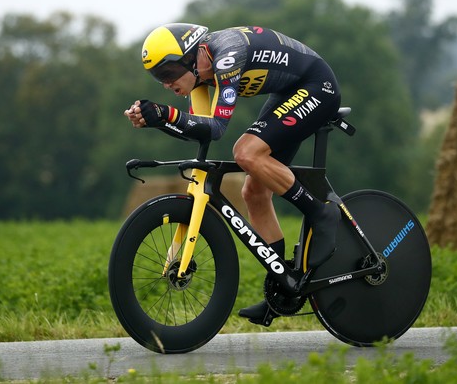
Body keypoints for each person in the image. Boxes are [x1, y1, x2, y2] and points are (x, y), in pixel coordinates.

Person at [124, 23, 341, 326]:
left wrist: (164, 114)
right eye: (159, 77)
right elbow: (200, 131)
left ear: (194, 55)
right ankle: (284, 287)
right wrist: (157, 119)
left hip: (318, 86)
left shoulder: (227, 56)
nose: (166, 83)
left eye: (168, 72)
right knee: (253, 191)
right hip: (289, 91)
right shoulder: (200, 75)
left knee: (246, 152)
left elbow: (217, 128)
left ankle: (322, 213)